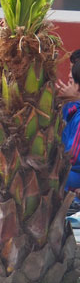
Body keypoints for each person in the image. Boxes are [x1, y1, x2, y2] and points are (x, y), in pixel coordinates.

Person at [60, 51, 80, 196]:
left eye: (73, 80)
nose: (68, 77)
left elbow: (72, 156)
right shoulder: (72, 107)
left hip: (73, 173)